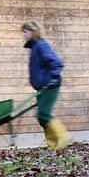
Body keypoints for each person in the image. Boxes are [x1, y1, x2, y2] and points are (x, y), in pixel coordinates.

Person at [21, 21, 71, 150]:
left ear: (33, 32)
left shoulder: (41, 45)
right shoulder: (35, 47)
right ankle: (52, 145)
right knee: (42, 117)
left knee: (43, 115)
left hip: (50, 86)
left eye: (26, 32)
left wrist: (53, 78)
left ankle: (62, 138)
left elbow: (56, 62)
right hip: (42, 87)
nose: (24, 35)